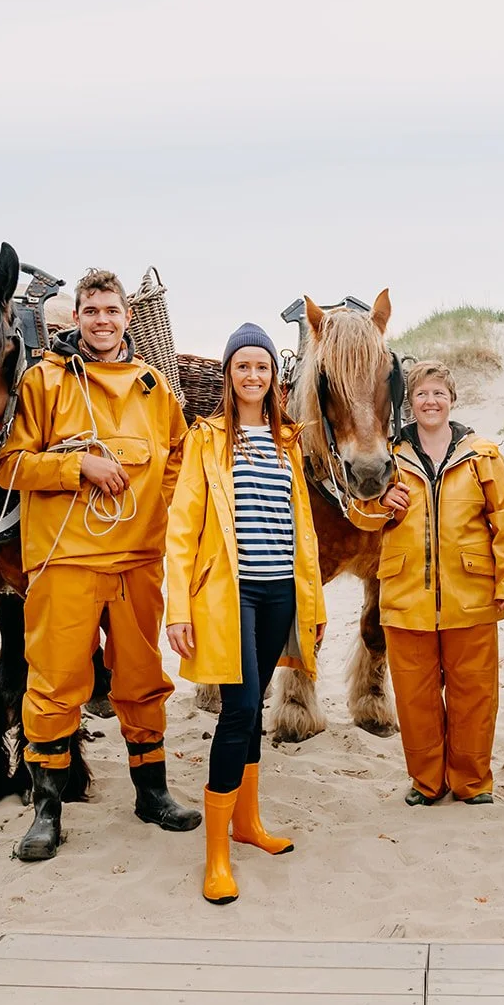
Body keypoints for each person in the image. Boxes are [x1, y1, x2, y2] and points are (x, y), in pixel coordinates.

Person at [0, 268, 198, 862]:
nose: (102, 320)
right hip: (66, 561)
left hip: (137, 560)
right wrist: (76, 467)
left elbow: (178, 461)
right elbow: (10, 465)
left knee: (141, 680)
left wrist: (149, 512)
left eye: (112, 310)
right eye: (92, 311)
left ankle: (152, 792)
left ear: (127, 317)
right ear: (76, 318)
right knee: (55, 683)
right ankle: (47, 811)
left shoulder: (155, 388)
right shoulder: (45, 381)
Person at [165, 323, 327, 905]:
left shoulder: (289, 440)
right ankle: (215, 856)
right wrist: (177, 609)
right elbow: (182, 527)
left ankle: (248, 825)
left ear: (273, 376)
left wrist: (313, 602)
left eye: (261, 365)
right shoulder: (207, 438)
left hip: (280, 590)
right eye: (242, 366)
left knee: (254, 706)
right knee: (238, 711)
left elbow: (303, 528)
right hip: (227, 597)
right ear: (230, 375)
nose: (252, 375)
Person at [349, 360, 504, 806]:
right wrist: (380, 500)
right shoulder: (387, 456)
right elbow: (358, 516)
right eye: (422, 394)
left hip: (471, 594)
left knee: (474, 693)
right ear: (411, 402)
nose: (431, 402)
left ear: (452, 400)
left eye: (439, 394)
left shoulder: (482, 454)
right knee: (415, 697)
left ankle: (472, 782)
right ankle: (427, 782)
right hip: (406, 595)